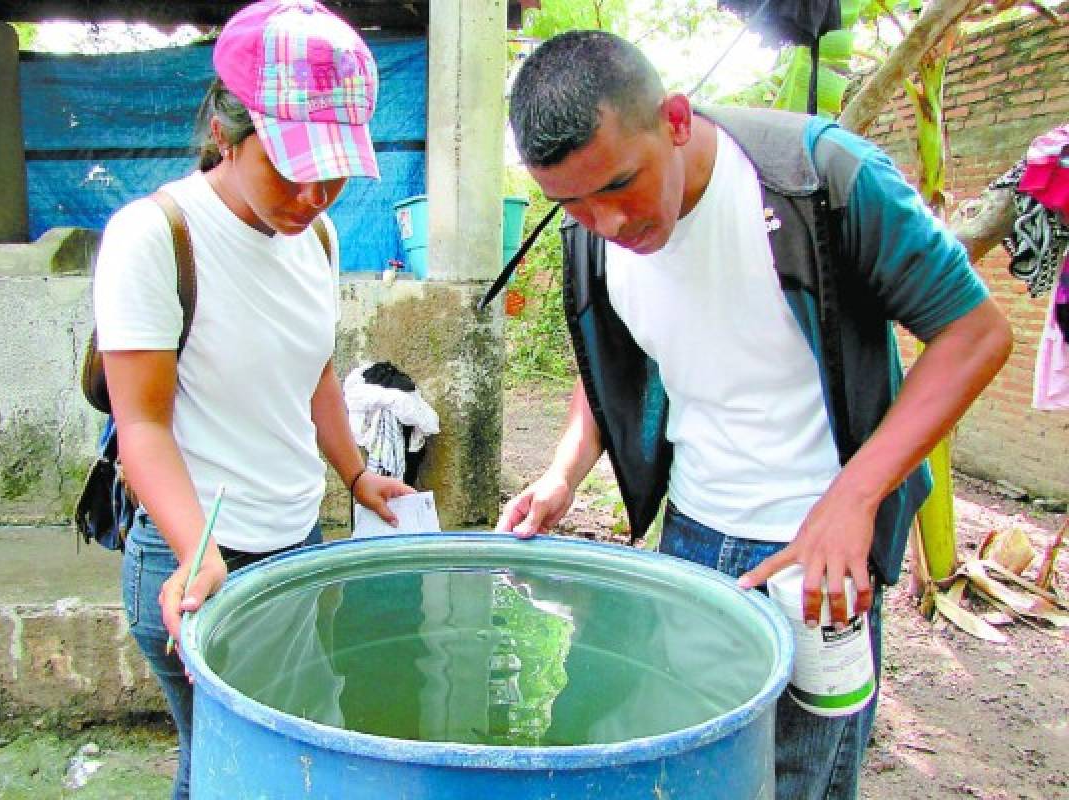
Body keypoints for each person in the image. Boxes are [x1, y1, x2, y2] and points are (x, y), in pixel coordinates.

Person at [499, 30, 1012, 798]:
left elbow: (975, 334)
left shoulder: (820, 178)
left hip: (819, 553)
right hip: (691, 539)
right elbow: (621, 366)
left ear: (675, 119)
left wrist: (852, 499)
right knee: (690, 767)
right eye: (571, 203)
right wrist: (563, 472)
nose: (604, 223)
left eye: (618, 187)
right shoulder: (592, 231)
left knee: (797, 778)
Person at [92, 2, 412, 796]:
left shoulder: (319, 238)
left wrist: (355, 473)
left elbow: (313, 370)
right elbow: (142, 424)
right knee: (235, 772)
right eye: (291, 163)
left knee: (261, 767)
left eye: (333, 168)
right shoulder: (154, 235)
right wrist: (200, 558)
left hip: (294, 544)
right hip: (195, 557)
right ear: (226, 137)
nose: (314, 193)